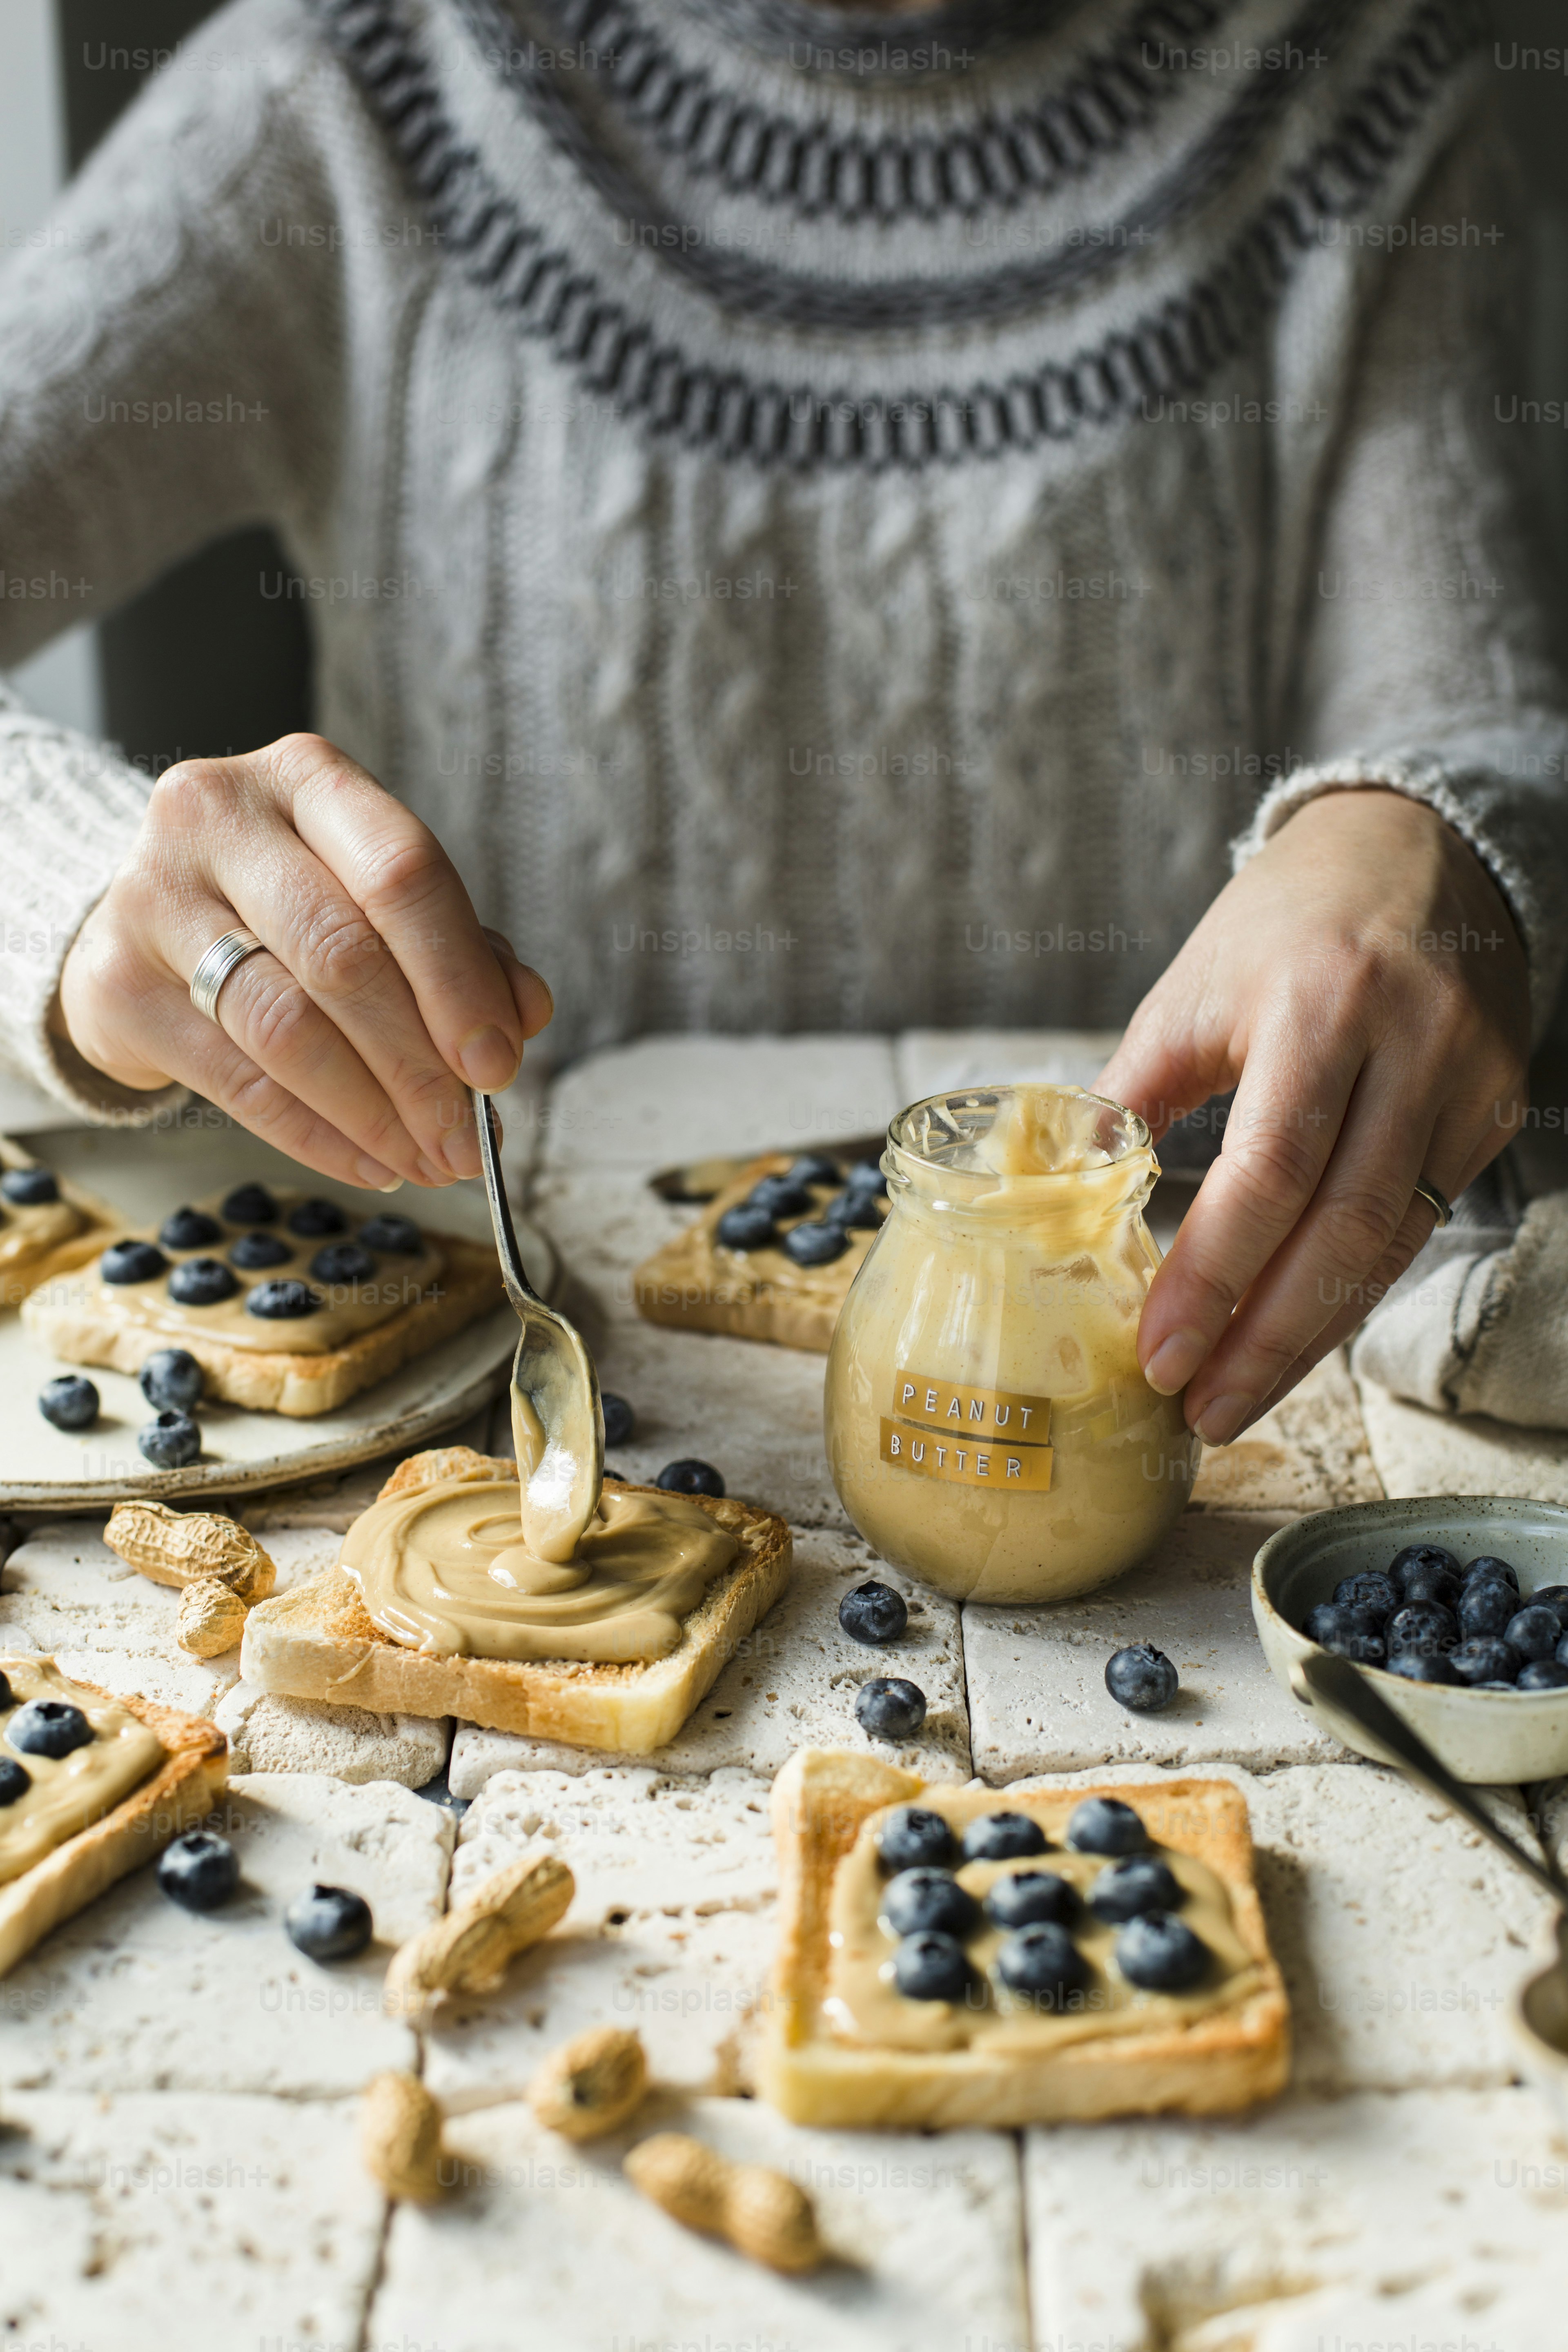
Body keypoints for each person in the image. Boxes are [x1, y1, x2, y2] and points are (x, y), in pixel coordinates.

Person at [1, 0, 1564, 1448]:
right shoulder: (352, 79)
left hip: (1183, 1357)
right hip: (560, 1365)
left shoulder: (1359, 82)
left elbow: (1464, 712)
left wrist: (1426, 839)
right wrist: (82, 889)